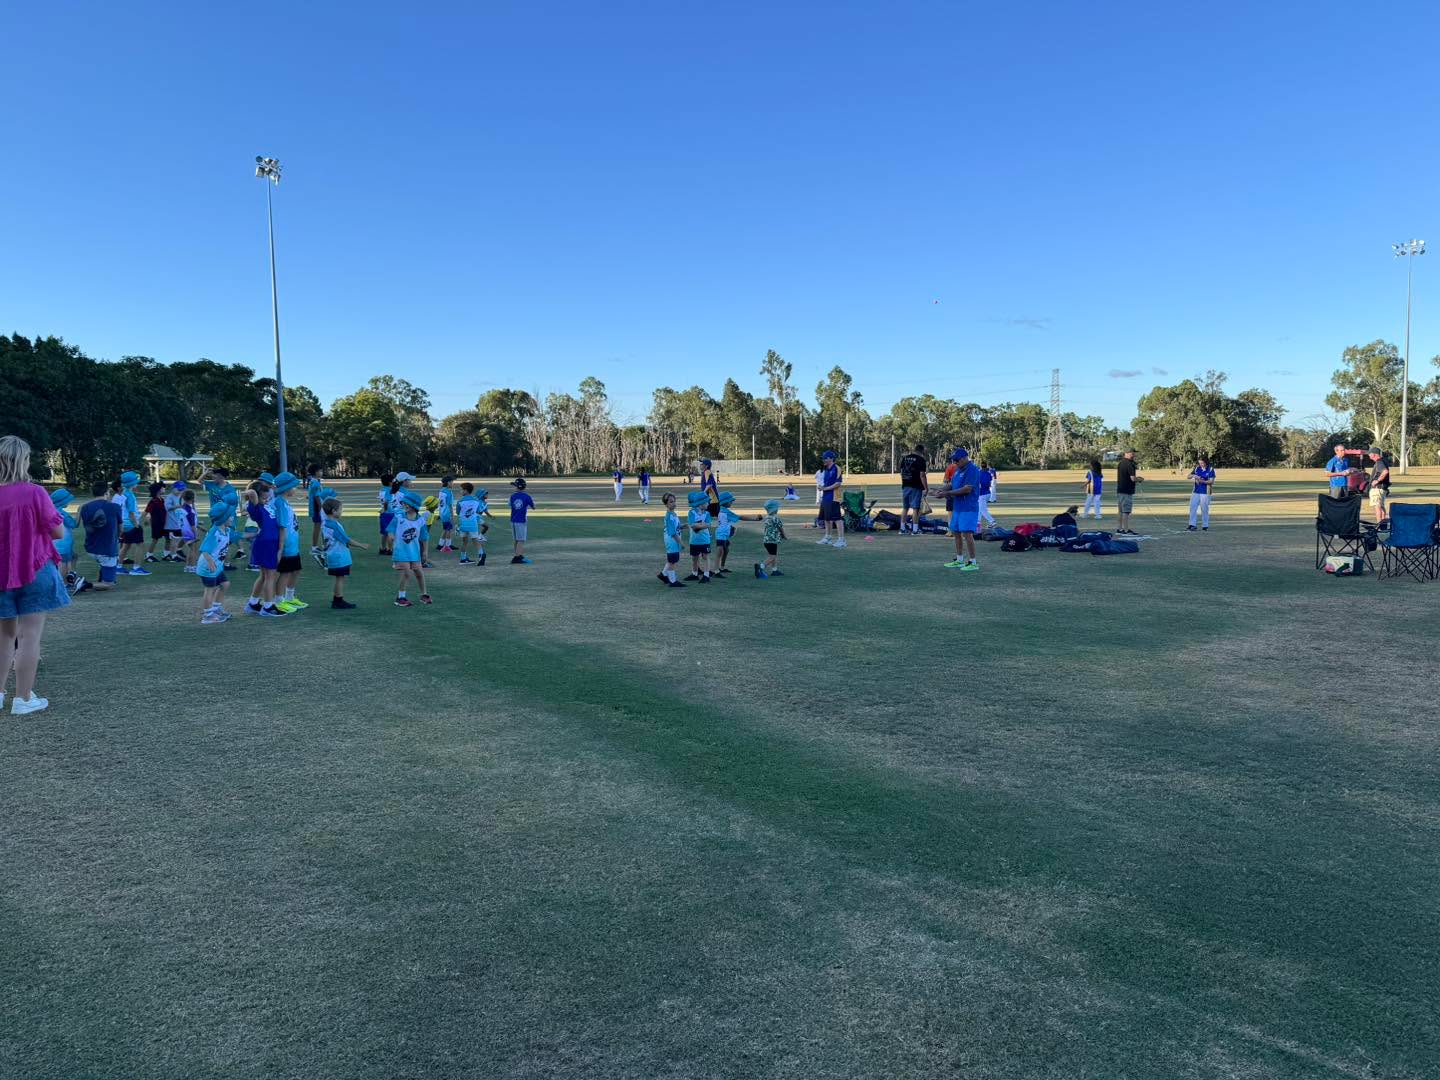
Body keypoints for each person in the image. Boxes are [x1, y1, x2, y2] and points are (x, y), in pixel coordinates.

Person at [0, 435, 70, 715]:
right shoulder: (34, 492)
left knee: (4, 638)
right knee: (29, 637)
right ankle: (23, 698)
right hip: (34, 570)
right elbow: (57, 532)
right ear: (23, 460)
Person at [242, 479, 286, 618]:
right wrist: (250, 492)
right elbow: (250, 493)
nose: (266, 500)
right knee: (270, 576)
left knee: (264, 576)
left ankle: (253, 603)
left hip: (269, 543)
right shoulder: (254, 506)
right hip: (266, 543)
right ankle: (268, 606)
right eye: (263, 497)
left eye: (267, 497)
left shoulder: (264, 505)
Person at [933, 447, 981, 571]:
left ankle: (973, 562)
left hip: (968, 507)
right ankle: (959, 560)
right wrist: (941, 490)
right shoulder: (958, 470)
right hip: (958, 507)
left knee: (967, 533)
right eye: (954, 460)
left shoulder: (973, 470)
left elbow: (967, 489)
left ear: (965, 458)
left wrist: (947, 494)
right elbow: (952, 484)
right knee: (956, 532)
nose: (955, 462)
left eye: (957, 460)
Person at [321, 497, 367, 609]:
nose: (342, 511)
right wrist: (361, 545)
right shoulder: (334, 525)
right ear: (334, 511)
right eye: (340, 509)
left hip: (332, 554)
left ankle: (337, 600)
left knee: (339, 578)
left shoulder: (325, 523)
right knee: (340, 578)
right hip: (339, 556)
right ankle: (338, 600)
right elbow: (346, 539)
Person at [271, 472, 307, 611]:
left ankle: (290, 597)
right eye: (294, 487)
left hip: (292, 544)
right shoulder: (279, 503)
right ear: (287, 488)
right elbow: (282, 526)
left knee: (295, 570)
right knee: (285, 573)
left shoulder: (284, 502)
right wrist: (281, 547)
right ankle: (279, 600)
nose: (295, 489)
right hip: (286, 545)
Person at [390, 489, 431, 606]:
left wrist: (425, 552)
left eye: (408, 503)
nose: (404, 505)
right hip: (401, 552)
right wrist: (392, 537)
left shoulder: (420, 520)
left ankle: (424, 594)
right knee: (407, 573)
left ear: (414, 506)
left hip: (414, 553)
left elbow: (424, 537)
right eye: (404, 503)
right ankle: (400, 597)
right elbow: (390, 530)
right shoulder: (399, 517)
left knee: (419, 572)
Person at [195, 503, 235, 624]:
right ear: (223, 518)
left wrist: (254, 534)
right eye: (230, 516)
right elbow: (204, 549)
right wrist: (210, 561)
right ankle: (207, 616)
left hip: (217, 566)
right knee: (209, 590)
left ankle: (216, 609)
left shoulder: (226, 530)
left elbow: (237, 536)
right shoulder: (214, 532)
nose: (232, 518)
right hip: (208, 567)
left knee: (225, 584)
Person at [80, 480, 121, 591]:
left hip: (90, 547)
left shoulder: (84, 507)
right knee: (109, 584)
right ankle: (84, 584)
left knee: (104, 563)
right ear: (107, 492)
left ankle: (102, 578)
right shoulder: (115, 507)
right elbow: (120, 528)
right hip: (107, 549)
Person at [714, 491, 762, 575]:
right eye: (730, 501)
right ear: (725, 502)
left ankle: (721, 567)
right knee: (720, 552)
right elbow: (740, 517)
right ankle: (716, 570)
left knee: (726, 550)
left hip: (724, 534)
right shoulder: (725, 511)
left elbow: (725, 521)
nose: (732, 502)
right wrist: (755, 519)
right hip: (721, 535)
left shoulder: (723, 510)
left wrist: (730, 528)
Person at [51, 488, 86, 594]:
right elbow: (74, 524)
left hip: (54, 542)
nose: (69, 502)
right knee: (63, 563)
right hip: (63, 543)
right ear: (62, 501)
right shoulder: (62, 513)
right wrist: (79, 511)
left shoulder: (51, 510)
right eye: (67, 500)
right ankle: (65, 584)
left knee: (72, 557)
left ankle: (70, 577)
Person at [115, 471, 149, 574]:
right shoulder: (129, 495)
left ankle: (118, 566)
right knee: (140, 545)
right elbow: (131, 513)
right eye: (136, 482)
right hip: (131, 524)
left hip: (125, 524)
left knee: (126, 545)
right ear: (132, 483)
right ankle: (136, 568)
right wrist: (137, 525)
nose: (137, 483)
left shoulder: (123, 493)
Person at [815, 450, 846, 548]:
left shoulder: (836, 468)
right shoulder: (825, 469)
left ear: (831, 458)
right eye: (823, 458)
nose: (823, 460)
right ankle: (827, 537)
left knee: (837, 518)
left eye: (825, 458)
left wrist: (825, 488)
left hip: (834, 497)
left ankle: (842, 540)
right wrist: (821, 487)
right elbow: (825, 482)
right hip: (826, 496)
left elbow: (838, 483)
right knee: (826, 518)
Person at [655, 492, 686, 588]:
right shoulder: (669, 516)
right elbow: (672, 532)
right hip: (672, 540)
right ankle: (672, 581)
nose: (674, 503)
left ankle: (663, 575)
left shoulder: (674, 514)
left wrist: (682, 526)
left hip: (674, 540)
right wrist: (681, 542)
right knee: (673, 560)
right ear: (666, 504)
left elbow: (675, 527)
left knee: (672, 559)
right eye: (671, 502)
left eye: (674, 501)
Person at [898, 443, 929, 534]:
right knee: (916, 508)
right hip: (916, 486)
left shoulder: (905, 458)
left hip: (905, 485)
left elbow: (901, 472)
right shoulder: (921, 460)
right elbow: (922, 475)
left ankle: (902, 529)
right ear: (922, 451)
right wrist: (926, 488)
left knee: (905, 508)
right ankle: (915, 530)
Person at [685, 490, 715, 582]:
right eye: (707, 502)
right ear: (701, 504)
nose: (708, 504)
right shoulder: (691, 513)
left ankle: (706, 575)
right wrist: (702, 524)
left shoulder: (707, 514)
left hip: (705, 540)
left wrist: (699, 525)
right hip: (694, 540)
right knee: (694, 558)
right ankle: (694, 574)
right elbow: (692, 525)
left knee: (706, 557)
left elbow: (709, 524)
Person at [456, 482, 486, 565]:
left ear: (465, 491)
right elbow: (478, 511)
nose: (460, 491)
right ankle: (481, 554)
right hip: (473, 524)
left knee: (464, 541)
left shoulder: (460, 502)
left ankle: (463, 558)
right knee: (475, 540)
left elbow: (458, 512)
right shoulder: (476, 500)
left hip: (463, 524)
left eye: (461, 490)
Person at [756, 499, 787, 578]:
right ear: (774, 509)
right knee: (772, 556)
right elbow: (781, 528)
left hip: (766, 541)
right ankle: (761, 567)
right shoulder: (776, 519)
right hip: (772, 541)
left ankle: (774, 570)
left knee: (772, 555)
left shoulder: (767, 518)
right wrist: (784, 536)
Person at [1115, 449, 1144, 535]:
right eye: (1132, 453)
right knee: (1125, 511)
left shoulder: (1121, 463)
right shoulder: (1130, 464)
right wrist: (1139, 479)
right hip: (1127, 491)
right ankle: (1126, 530)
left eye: (1134, 453)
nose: (1133, 455)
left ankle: (1119, 529)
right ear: (1126, 453)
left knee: (1120, 511)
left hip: (1120, 490)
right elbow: (1133, 478)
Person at [508, 477, 535, 564]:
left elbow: (510, 505)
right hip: (521, 520)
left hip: (513, 520)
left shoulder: (512, 496)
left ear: (517, 487)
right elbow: (533, 507)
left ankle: (518, 554)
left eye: (515, 486)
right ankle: (517, 557)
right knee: (521, 540)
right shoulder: (527, 496)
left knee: (516, 539)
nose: (514, 487)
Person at [1187, 455, 1216, 531]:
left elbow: (1211, 481)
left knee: (1204, 509)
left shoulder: (1210, 469)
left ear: (1206, 462)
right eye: (1200, 463)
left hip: (1206, 492)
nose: (1201, 464)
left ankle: (1205, 525)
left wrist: (1202, 481)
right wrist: (1195, 476)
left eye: (1202, 463)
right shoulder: (1197, 468)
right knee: (1192, 507)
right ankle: (1192, 525)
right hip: (1196, 491)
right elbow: (1188, 476)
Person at [144, 482, 168, 562]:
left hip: (164, 523)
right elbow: (147, 511)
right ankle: (149, 556)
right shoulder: (153, 501)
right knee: (155, 539)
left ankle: (166, 555)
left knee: (168, 538)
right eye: (162, 488)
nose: (164, 489)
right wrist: (147, 520)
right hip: (156, 523)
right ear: (158, 490)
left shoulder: (162, 499)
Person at [1366, 447, 1391, 525]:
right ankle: (1383, 525)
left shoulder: (1379, 462)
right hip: (1382, 488)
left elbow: (1385, 472)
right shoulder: (1383, 461)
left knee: (1377, 507)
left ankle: (1379, 525)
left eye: (1369, 454)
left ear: (1373, 454)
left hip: (1377, 488)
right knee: (1381, 506)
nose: (1369, 456)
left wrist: (1377, 480)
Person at [305, 464, 325, 554]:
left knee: (318, 527)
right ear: (316, 472)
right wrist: (322, 509)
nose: (321, 472)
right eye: (320, 471)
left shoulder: (313, 481)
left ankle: (316, 546)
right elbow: (317, 497)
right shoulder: (316, 483)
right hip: (317, 509)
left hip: (316, 508)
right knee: (319, 527)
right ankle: (315, 547)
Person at [377, 472, 396, 555]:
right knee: (390, 532)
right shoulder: (389, 490)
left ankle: (382, 548)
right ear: (389, 482)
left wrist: (383, 510)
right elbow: (386, 501)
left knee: (383, 532)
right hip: (389, 513)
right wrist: (384, 509)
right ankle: (390, 549)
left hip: (384, 514)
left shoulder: (382, 490)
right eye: (393, 481)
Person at [436, 475, 456, 554]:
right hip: (447, 513)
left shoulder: (441, 490)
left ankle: (440, 545)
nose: (453, 483)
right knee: (449, 530)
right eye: (452, 482)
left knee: (445, 529)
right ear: (448, 483)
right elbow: (450, 505)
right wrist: (452, 516)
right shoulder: (448, 492)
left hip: (442, 512)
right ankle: (447, 545)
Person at [976, 462, 996, 527]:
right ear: (986, 466)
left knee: (982, 509)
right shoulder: (988, 473)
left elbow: (977, 485)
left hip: (981, 494)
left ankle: (992, 521)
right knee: (979, 508)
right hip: (988, 493)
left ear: (981, 466)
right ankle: (978, 522)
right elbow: (989, 484)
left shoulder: (978, 473)